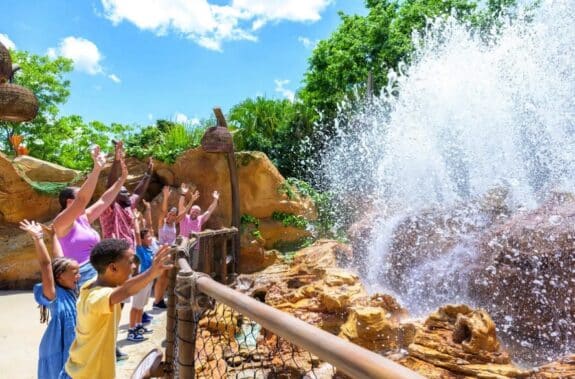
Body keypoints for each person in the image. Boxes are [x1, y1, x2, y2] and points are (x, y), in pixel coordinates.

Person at [59, 239, 172, 379]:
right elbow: (125, 291)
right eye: (130, 262)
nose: (134, 266)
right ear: (113, 268)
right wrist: (151, 273)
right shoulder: (96, 299)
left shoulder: (92, 284)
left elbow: (124, 286)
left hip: (77, 370)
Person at [53, 146, 128, 288]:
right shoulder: (61, 223)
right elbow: (82, 199)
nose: (87, 198)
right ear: (70, 202)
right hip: (80, 276)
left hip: (97, 272)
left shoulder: (83, 218)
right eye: (80, 194)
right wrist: (97, 169)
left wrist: (122, 179)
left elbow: (104, 200)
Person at [20, 220, 80, 379]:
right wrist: (38, 238)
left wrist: (54, 236)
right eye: (75, 273)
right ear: (60, 276)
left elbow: (58, 258)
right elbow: (46, 264)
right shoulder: (53, 293)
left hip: (73, 347)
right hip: (56, 349)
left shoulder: (71, 289)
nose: (78, 276)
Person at [99, 141, 153, 248]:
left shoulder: (127, 206)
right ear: (115, 195)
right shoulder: (110, 208)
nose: (128, 194)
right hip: (113, 251)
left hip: (129, 250)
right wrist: (117, 160)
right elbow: (111, 186)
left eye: (127, 192)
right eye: (123, 192)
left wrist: (148, 174)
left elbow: (138, 192)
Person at [127, 213, 156, 341]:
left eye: (150, 235)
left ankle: (138, 326)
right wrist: (135, 221)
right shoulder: (140, 249)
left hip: (148, 280)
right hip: (141, 281)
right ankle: (131, 331)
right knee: (135, 307)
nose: (150, 238)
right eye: (148, 236)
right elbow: (137, 235)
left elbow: (148, 228)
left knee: (141, 306)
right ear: (142, 240)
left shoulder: (150, 248)